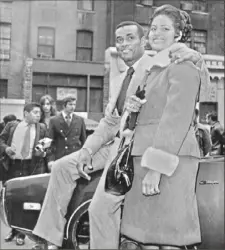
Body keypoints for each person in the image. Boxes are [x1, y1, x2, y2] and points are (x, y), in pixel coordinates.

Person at [32, 19, 209, 250]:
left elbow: (195, 83)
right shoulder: (118, 80)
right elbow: (110, 122)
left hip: (135, 149)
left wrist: (196, 57)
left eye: (130, 38)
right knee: (61, 167)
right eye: (119, 39)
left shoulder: (159, 61)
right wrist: (87, 150)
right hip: (115, 144)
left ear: (143, 41)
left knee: (101, 209)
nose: (123, 44)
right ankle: (50, 238)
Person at [84, 12, 209, 250]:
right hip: (143, 158)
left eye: (165, 29)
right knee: (147, 238)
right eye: (153, 29)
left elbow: (176, 120)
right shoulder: (155, 69)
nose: (156, 34)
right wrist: (134, 110)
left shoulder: (183, 67)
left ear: (179, 34)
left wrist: (156, 168)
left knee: (169, 238)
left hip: (169, 162)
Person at [0, 103, 48, 246]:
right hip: (14, 166)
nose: (38, 115)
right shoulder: (12, 126)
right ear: (25, 113)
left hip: (31, 167)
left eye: (39, 113)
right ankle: (13, 230)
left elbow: (46, 147)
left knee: (26, 199)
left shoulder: (42, 128)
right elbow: (1, 140)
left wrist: (43, 152)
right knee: (12, 198)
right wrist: (6, 148)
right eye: (35, 112)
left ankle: (21, 234)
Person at [46, 95, 87, 172]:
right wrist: (50, 160)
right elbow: (49, 142)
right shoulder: (54, 120)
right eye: (70, 104)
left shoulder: (80, 120)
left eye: (74, 104)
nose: (73, 107)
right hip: (60, 158)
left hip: (75, 158)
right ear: (64, 106)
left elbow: (83, 141)